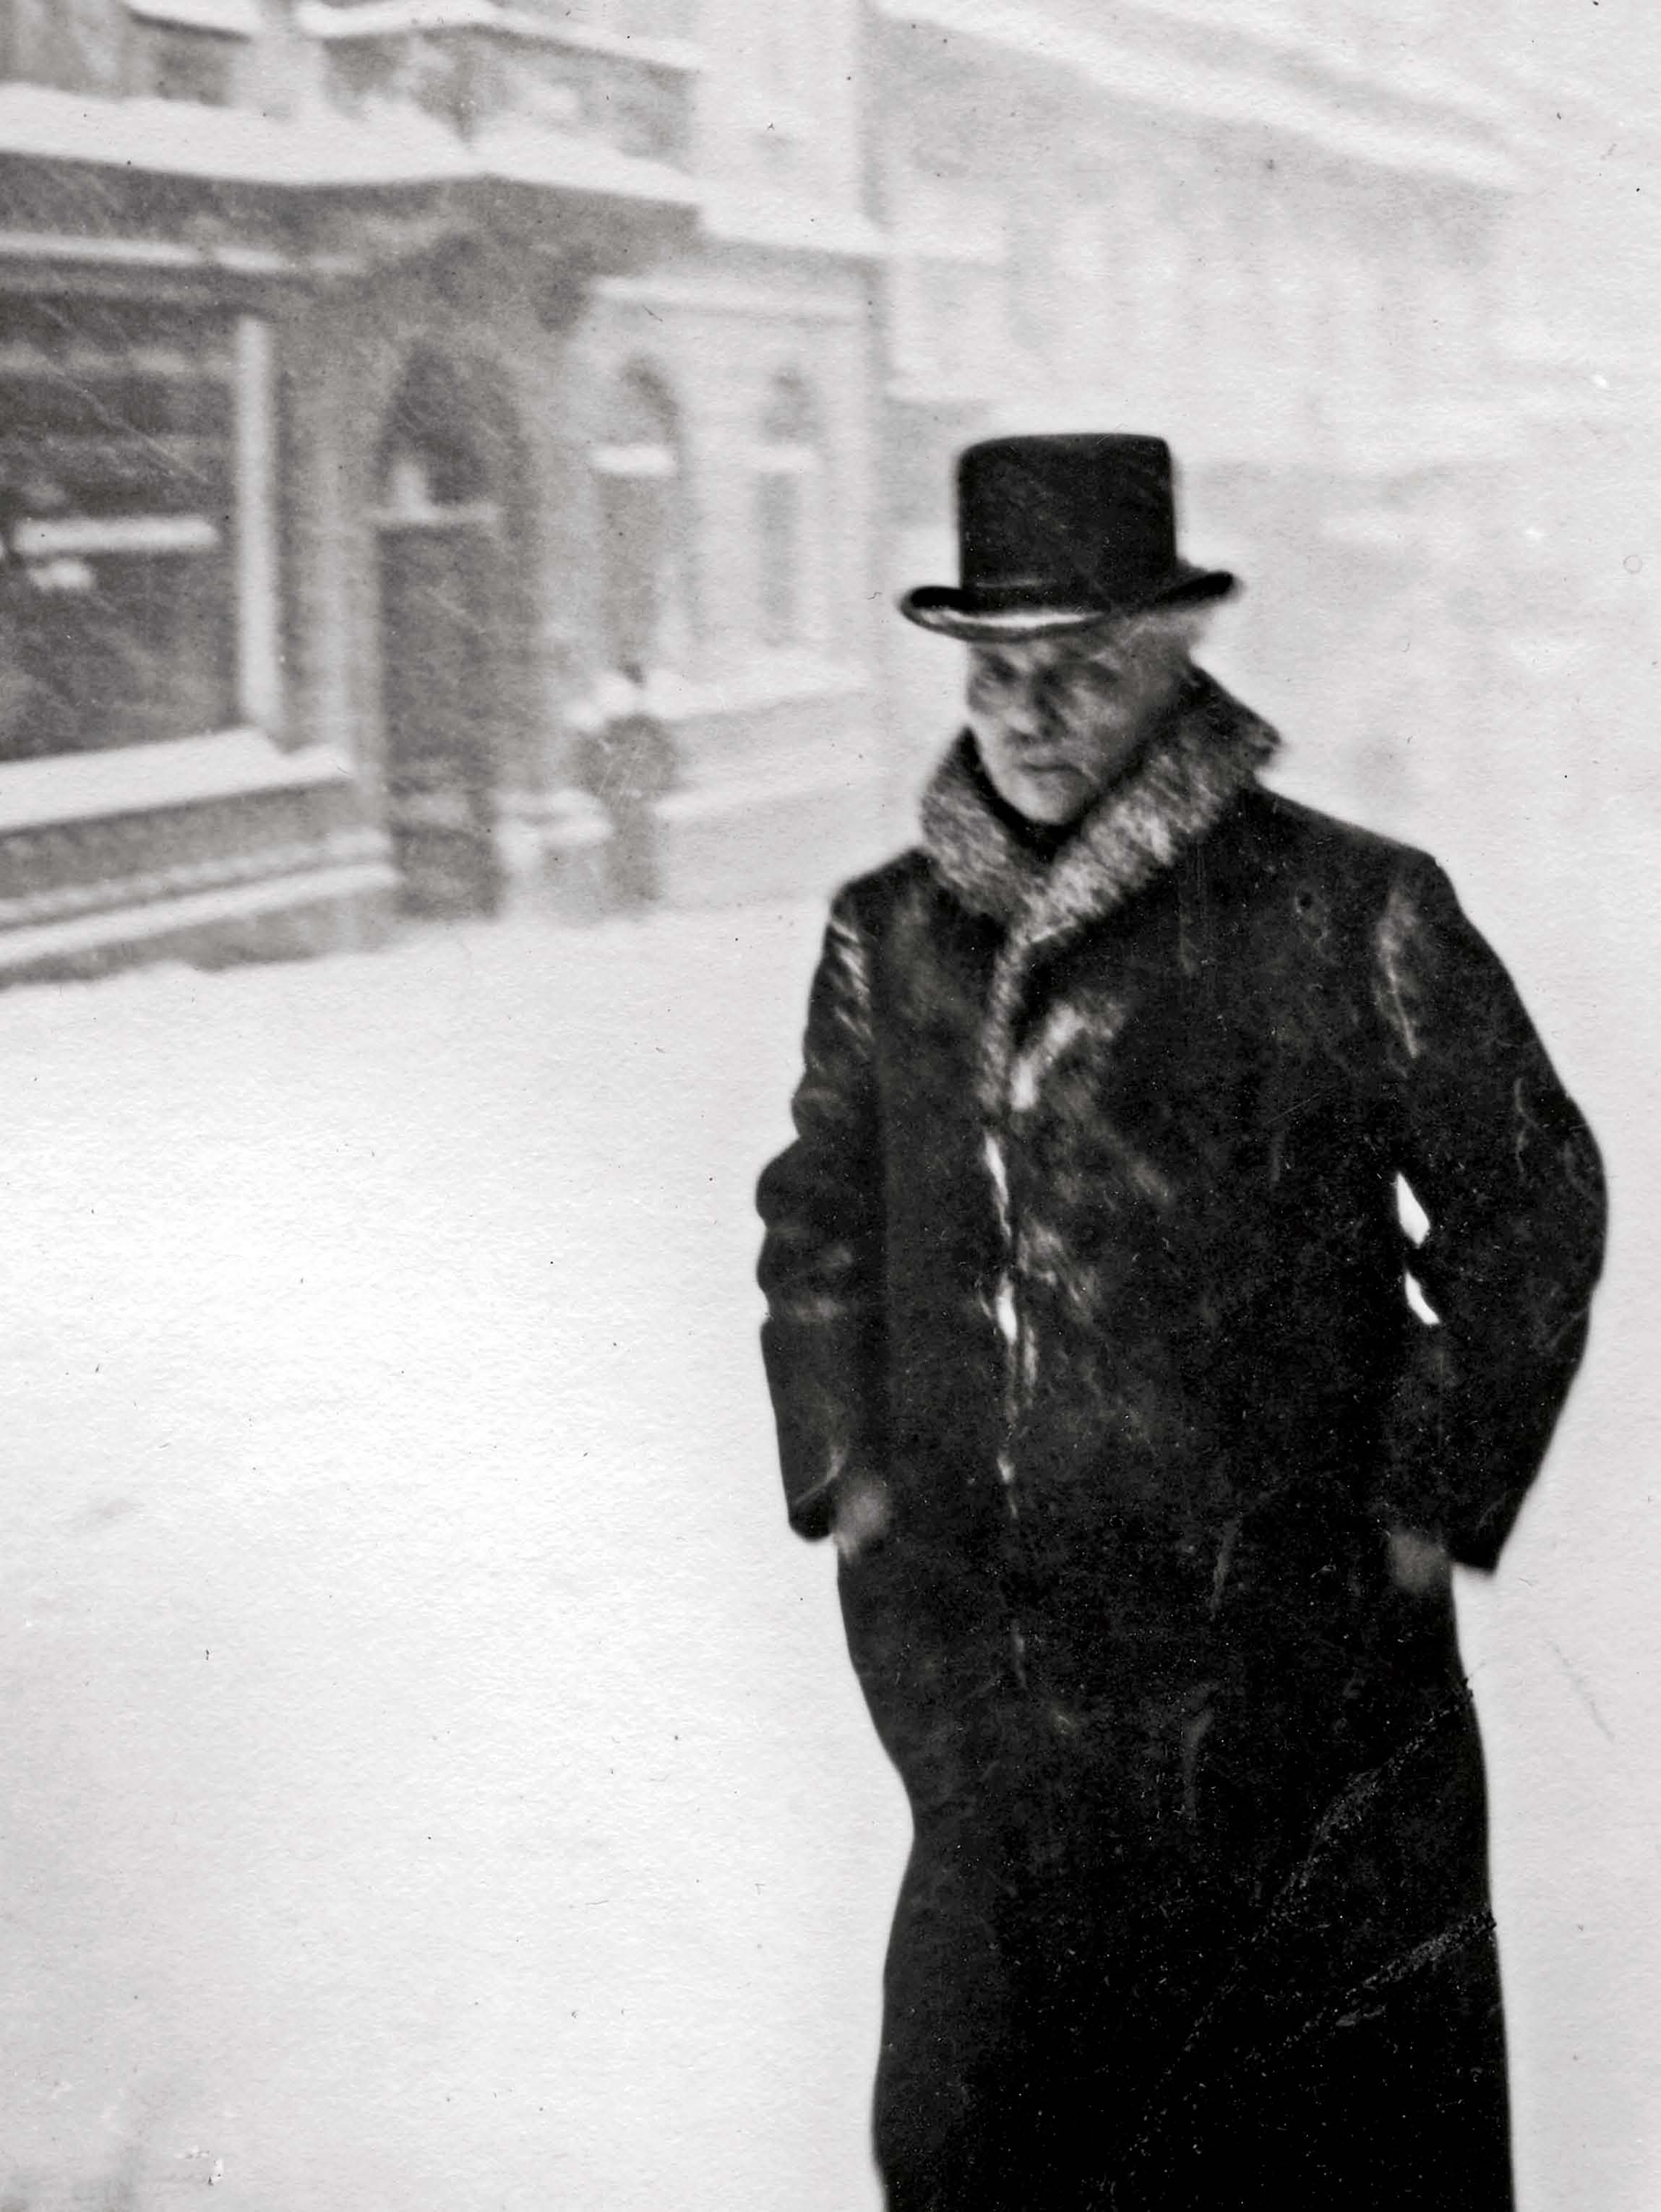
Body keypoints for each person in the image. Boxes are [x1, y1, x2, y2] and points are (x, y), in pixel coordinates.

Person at [754, 434, 1606, 2211]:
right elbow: (816, 1215)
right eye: (997, 672)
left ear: (1172, 662)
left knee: (1314, 2135)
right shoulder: (885, 935)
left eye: (1080, 668)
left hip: (1293, 1668)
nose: (1031, 713)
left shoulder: (1349, 909)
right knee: (989, 2130)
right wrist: (851, 1474)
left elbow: (1532, 1196)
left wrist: (1425, 1487)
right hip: (996, 1666)